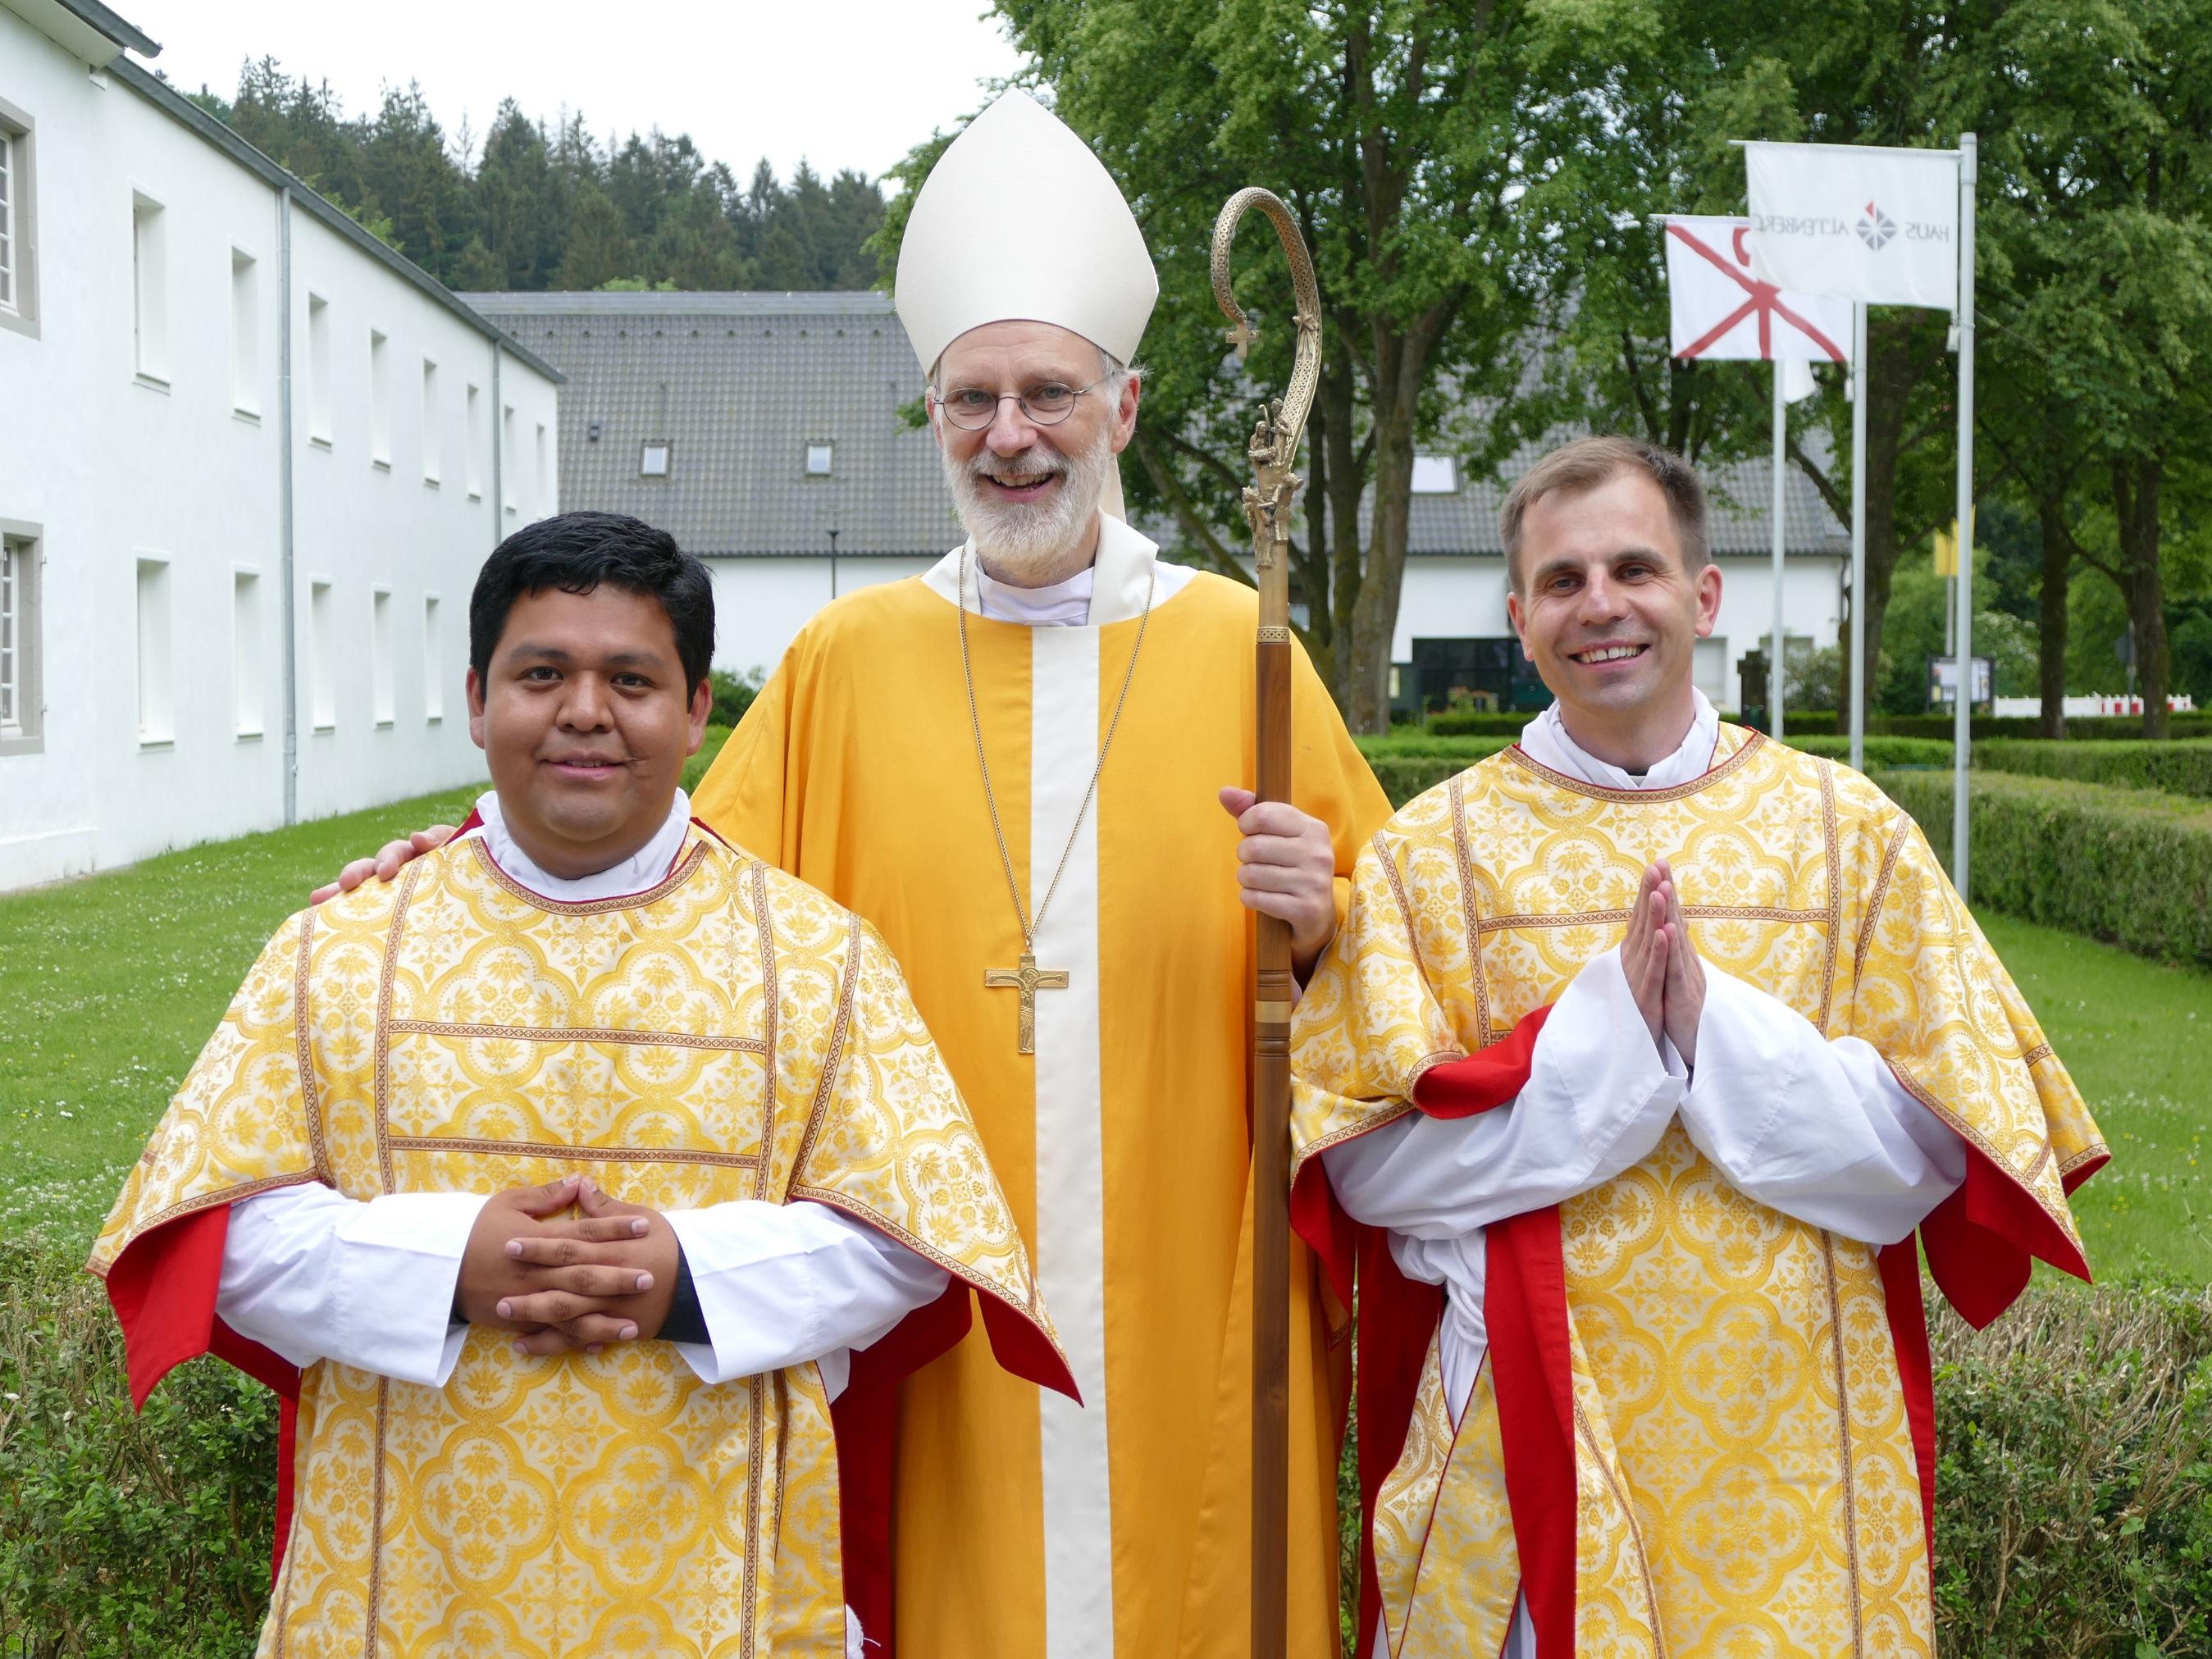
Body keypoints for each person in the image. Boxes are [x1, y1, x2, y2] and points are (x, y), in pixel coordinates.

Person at [318, 92, 1393, 1658]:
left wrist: (1323, 926)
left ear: (1127, 410)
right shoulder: (844, 660)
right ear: (935, 417)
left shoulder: (1249, 650)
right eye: (970, 400)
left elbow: (1398, 1003)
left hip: (1188, 1273)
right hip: (913, 1290)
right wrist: (467, 870)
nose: (1009, 435)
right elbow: (664, 905)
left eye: (1047, 395)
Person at [90, 513, 1070, 1659]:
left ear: (699, 711)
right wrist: (451, 1263)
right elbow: (216, 1236)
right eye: (541, 673)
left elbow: (907, 1241)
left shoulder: (818, 956)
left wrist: (682, 1276)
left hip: (724, 1572)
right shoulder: (339, 949)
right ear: (476, 697)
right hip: (401, 1574)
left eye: (633, 678)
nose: (585, 712)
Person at [1288, 435, 2108, 1658]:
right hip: (1527, 1418)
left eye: (1635, 568)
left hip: (1797, 1420)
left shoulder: (1849, 835)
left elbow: (1941, 1153)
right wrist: (1610, 1053)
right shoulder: (1428, 855)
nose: (1600, 606)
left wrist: (1712, 1037)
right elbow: (1360, 1166)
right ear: (1518, 618)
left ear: (1703, 594)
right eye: (1562, 582)